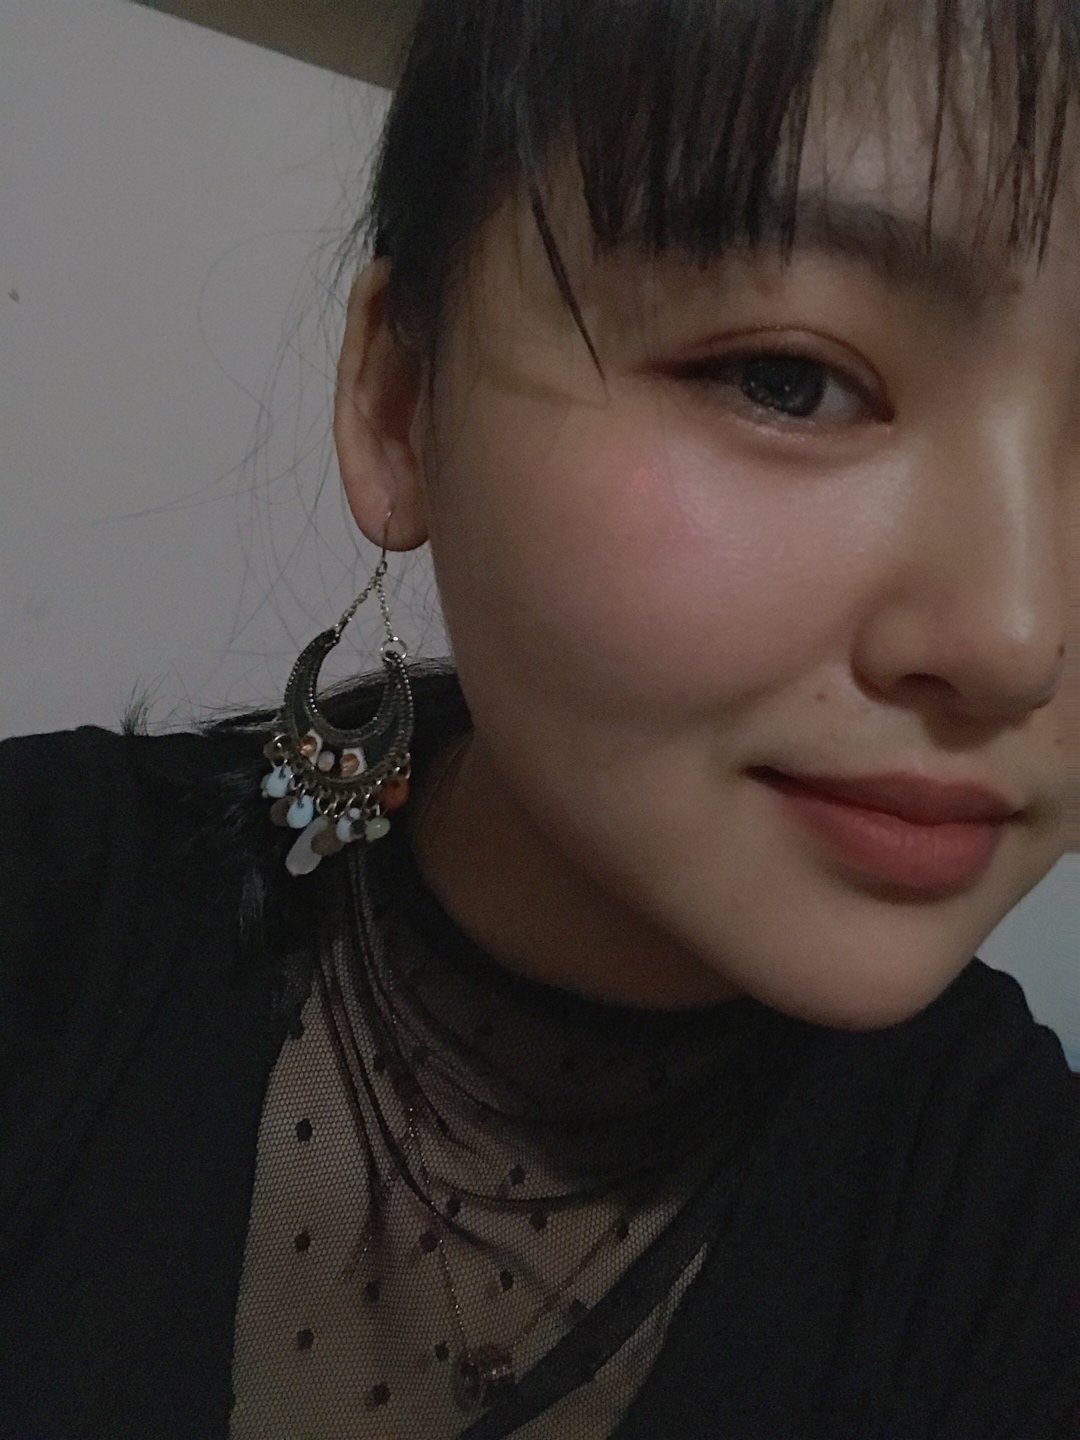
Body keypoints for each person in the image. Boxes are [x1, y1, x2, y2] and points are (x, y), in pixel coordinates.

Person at [2, 0, 1078, 1435]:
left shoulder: (1013, 1228)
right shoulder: (45, 922)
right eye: (789, 380)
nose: (1017, 638)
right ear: (402, 404)